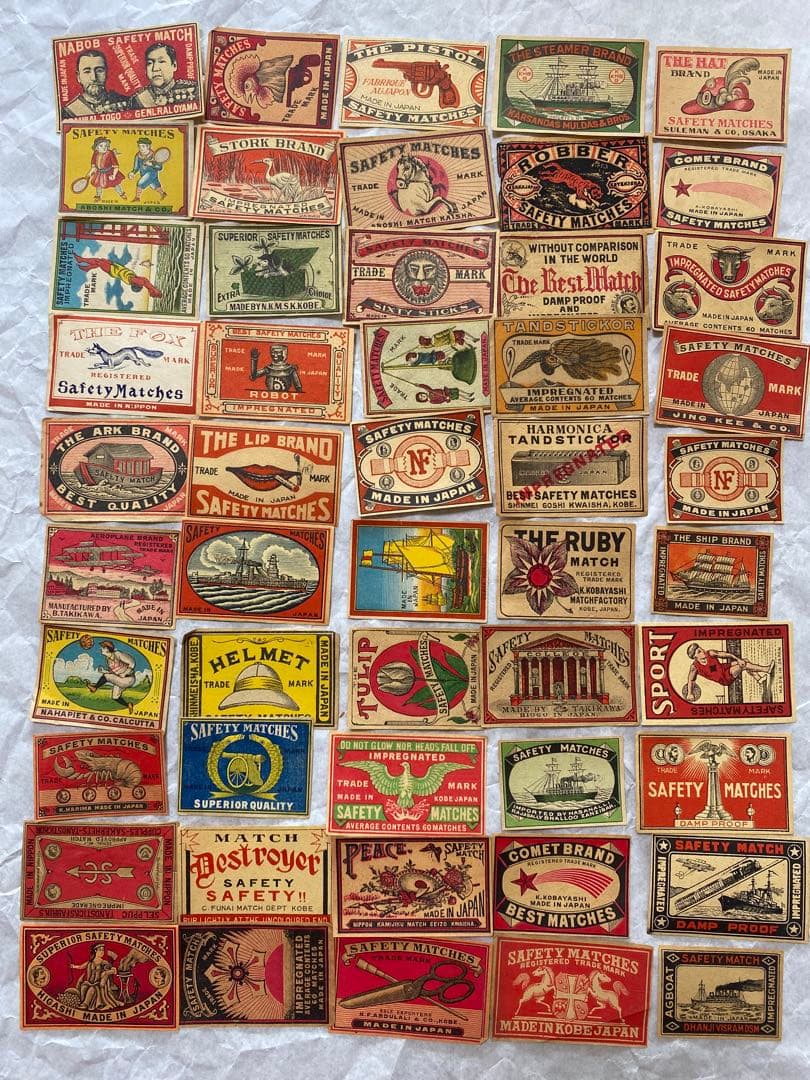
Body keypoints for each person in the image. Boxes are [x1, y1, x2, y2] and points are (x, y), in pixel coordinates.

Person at [684, 642, 774, 702]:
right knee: (743, 665)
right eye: (699, 651)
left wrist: (738, 659)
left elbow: (726, 654)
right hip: (724, 678)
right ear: (695, 657)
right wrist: (689, 693)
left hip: (724, 667)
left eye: (701, 648)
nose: (703, 651)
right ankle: (766, 669)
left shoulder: (710, 653)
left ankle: (759, 679)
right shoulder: (694, 667)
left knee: (744, 661)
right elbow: (690, 680)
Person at [62, 49, 128, 120]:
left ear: (106, 73)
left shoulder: (126, 103)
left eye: (99, 71)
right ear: (78, 77)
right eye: (87, 72)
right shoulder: (68, 113)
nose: (94, 78)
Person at [130, 42, 197, 108]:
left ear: (174, 66)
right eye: (149, 63)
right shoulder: (137, 100)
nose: (155, 69)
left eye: (161, 61)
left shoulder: (193, 90)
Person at [85, 639, 137, 713]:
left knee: (106, 676)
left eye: (103, 647)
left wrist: (125, 673)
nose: (101, 649)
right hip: (120, 679)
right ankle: (128, 705)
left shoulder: (117, 654)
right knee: (115, 697)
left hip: (129, 678)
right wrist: (103, 671)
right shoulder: (108, 661)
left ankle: (95, 687)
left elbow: (132, 663)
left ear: (107, 648)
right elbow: (113, 673)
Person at [70, 943, 123, 1011]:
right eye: (100, 950)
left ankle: (85, 1004)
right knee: (84, 987)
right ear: (95, 951)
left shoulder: (104, 962)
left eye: (103, 950)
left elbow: (114, 970)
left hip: (99, 984)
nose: (102, 952)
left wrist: (106, 972)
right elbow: (81, 966)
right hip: (89, 983)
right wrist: (73, 966)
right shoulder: (90, 962)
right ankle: (84, 1002)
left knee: (92, 988)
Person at [86, 137, 125, 202]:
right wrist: (89, 174)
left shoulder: (110, 153)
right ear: (96, 147)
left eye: (106, 146)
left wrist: (114, 175)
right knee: (98, 185)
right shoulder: (95, 153)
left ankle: (121, 194)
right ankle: (98, 196)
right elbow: (93, 167)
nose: (104, 148)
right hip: (99, 173)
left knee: (116, 183)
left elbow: (116, 166)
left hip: (110, 172)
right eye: (101, 146)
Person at [129, 137, 166, 202]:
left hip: (152, 173)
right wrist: (133, 173)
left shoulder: (154, 155)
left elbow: (160, 167)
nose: (141, 148)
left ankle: (137, 198)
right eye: (139, 146)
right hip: (143, 173)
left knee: (140, 183)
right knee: (154, 185)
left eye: (143, 146)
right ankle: (163, 194)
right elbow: (136, 167)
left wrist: (151, 164)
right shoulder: (138, 155)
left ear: (148, 146)